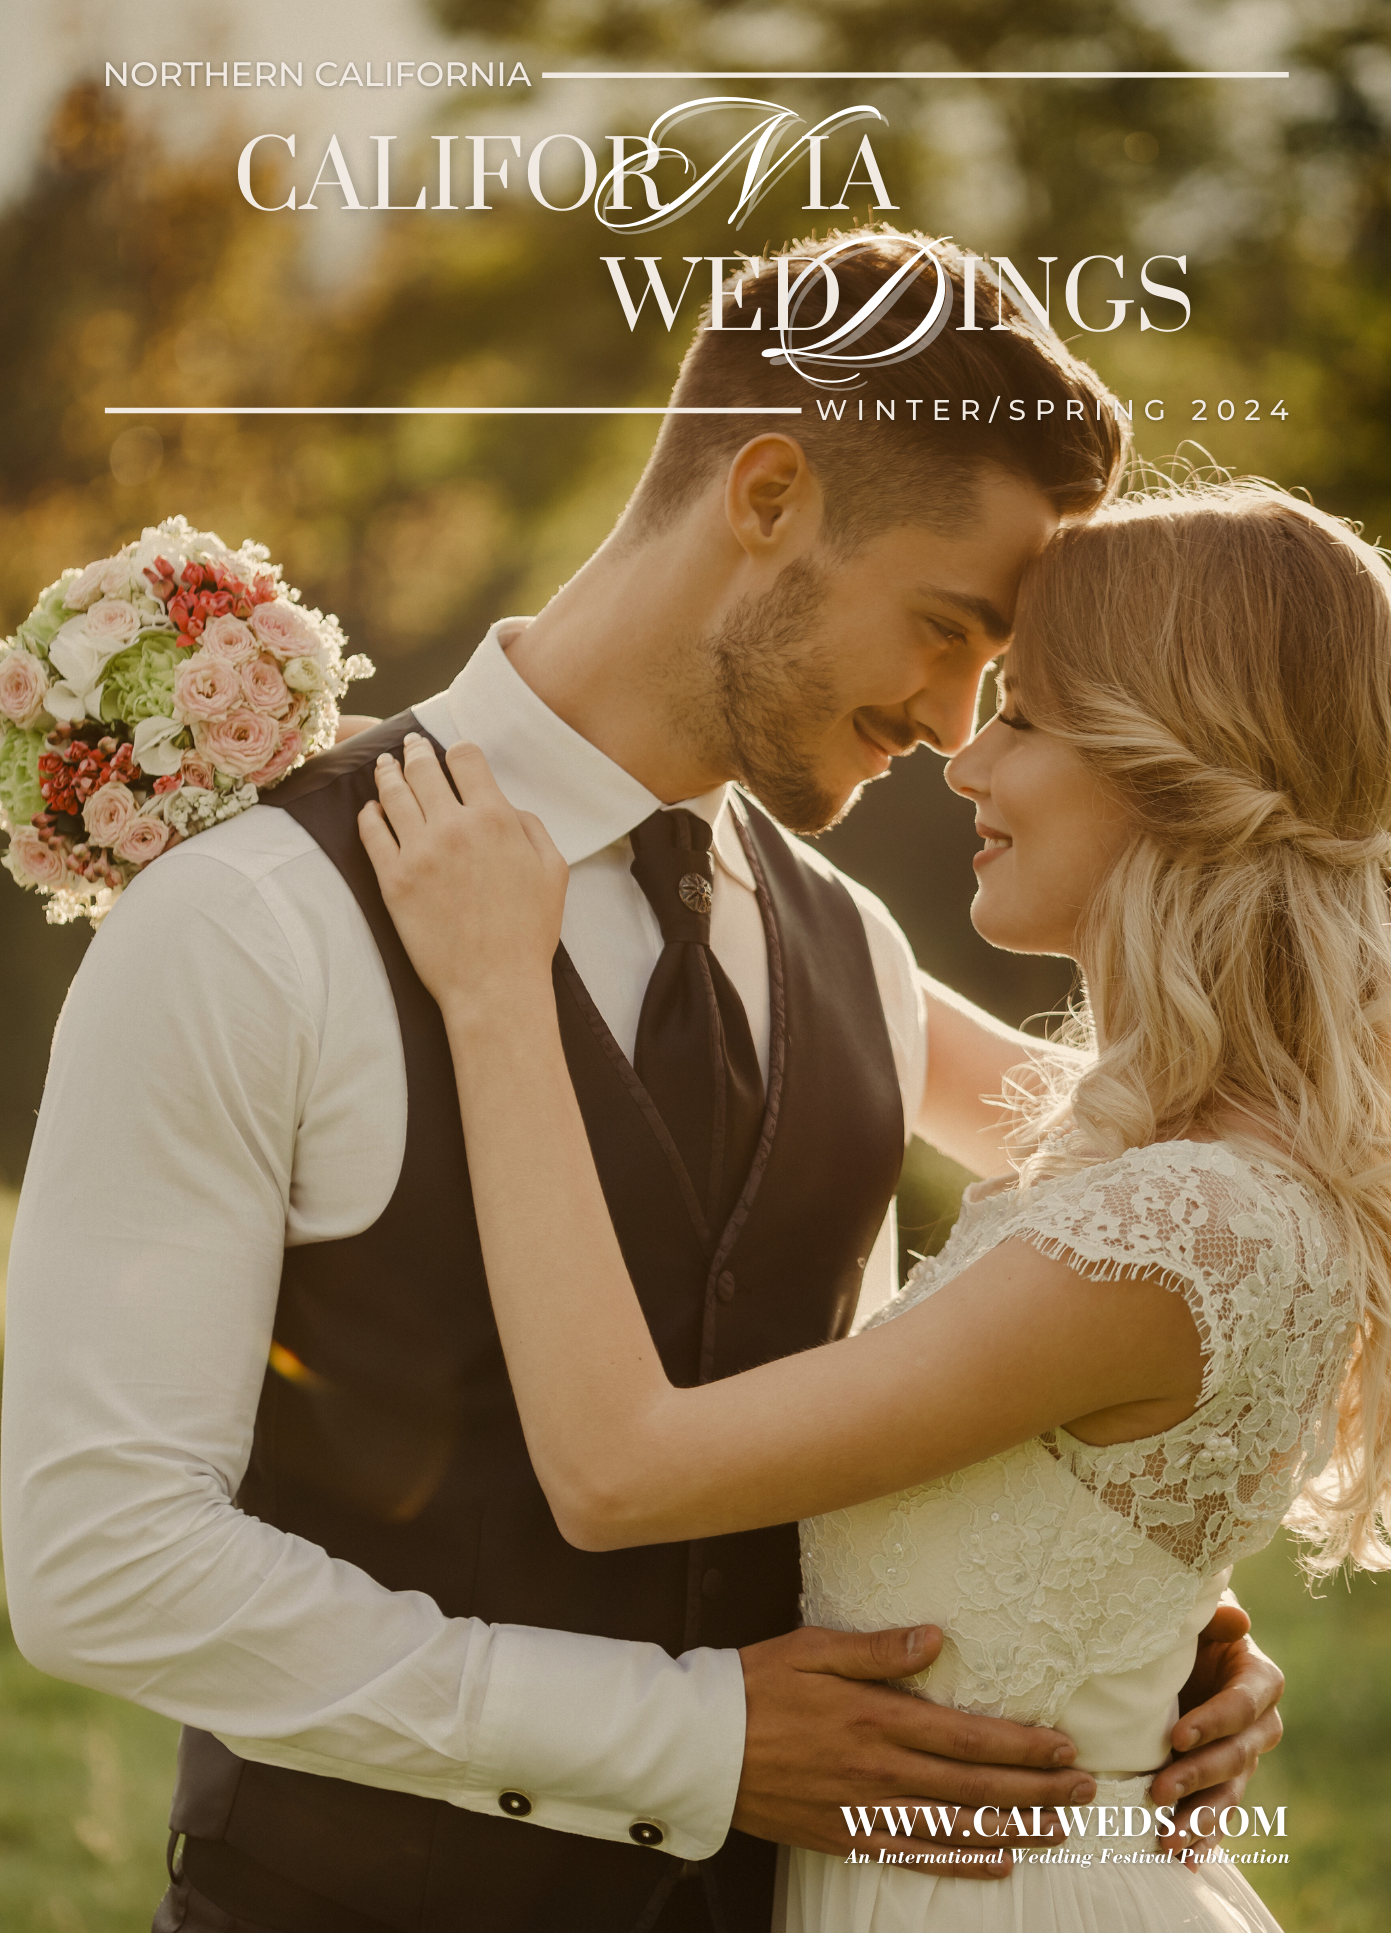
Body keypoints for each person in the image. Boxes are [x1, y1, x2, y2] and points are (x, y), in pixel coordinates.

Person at [1, 233, 1282, 1933]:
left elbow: (968, 1388)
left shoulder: (852, 954)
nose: (955, 720)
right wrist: (682, 1742)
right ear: (765, 494)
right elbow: (104, 1568)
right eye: (943, 626)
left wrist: (1148, 1632)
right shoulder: (253, 923)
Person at [357, 478, 1388, 1931]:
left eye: (1022, 714)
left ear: (1175, 766)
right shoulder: (1203, 1145)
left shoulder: (1178, 1223)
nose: (964, 758)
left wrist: (492, 990)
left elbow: (616, 1468)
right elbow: (824, 976)